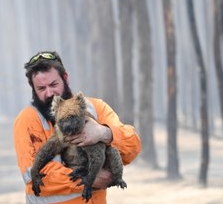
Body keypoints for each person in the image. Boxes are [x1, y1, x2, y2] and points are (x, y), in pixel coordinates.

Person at [13, 51, 141, 204]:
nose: (49, 93)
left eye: (54, 84)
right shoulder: (27, 119)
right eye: (41, 88)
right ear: (33, 88)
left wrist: (104, 133)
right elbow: (31, 173)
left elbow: (132, 147)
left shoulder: (95, 107)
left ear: (65, 78)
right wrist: (88, 179)